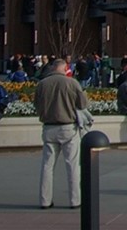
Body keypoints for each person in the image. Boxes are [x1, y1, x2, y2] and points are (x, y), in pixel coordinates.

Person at [34, 58, 88, 209]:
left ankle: (45, 200)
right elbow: (83, 104)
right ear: (65, 69)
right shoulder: (72, 83)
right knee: (72, 165)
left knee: (47, 166)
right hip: (67, 127)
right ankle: (75, 200)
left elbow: (36, 105)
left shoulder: (42, 84)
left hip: (48, 127)